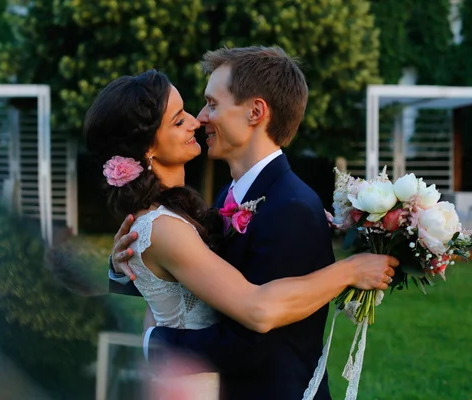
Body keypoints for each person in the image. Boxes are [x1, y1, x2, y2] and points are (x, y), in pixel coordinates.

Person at [77, 48, 398, 400]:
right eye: (183, 115)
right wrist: (128, 267)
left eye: (211, 104)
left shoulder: (292, 206)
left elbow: (256, 340)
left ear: (255, 112)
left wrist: (157, 342)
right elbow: (193, 287)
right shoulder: (225, 199)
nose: (199, 118)